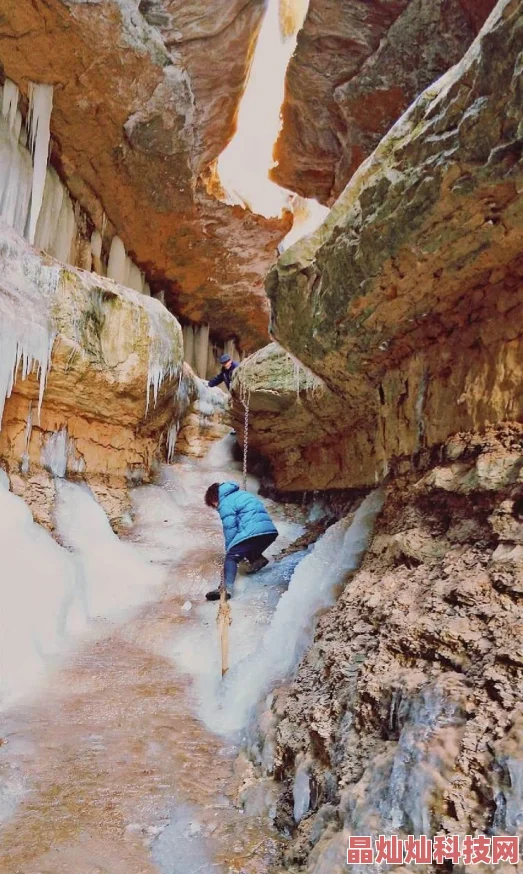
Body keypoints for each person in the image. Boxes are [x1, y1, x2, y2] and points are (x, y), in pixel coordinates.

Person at [204, 482, 278, 601]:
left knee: (232, 555)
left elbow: (230, 527)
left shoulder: (225, 502)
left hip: (253, 531)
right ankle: (257, 560)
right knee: (245, 546)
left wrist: (230, 550)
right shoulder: (240, 495)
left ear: (214, 498)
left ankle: (225, 589)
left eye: (213, 505)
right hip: (268, 532)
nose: (216, 507)